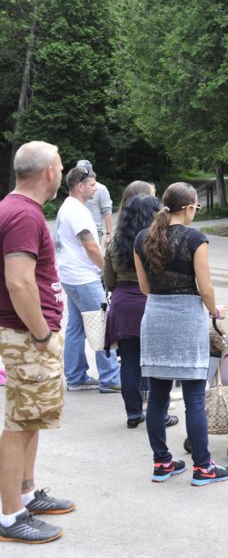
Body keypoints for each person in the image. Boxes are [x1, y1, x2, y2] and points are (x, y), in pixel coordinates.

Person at [134, 183, 228, 486]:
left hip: (155, 319)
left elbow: (144, 287)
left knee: (158, 398)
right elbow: (205, 288)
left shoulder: (142, 238)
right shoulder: (195, 239)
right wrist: (215, 311)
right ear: (189, 207)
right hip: (187, 321)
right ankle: (203, 467)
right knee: (194, 399)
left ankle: (162, 462)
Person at [0, 142, 73, 544]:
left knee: (31, 419)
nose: (60, 172)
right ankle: (10, 515)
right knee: (19, 423)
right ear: (49, 173)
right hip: (28, 336)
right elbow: (19, 282)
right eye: (60, 166)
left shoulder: (16, 209)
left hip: (29, 335)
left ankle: (26, 493)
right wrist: (42, 333)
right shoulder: (24, 215)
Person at [104, 193, 179, 430]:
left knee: (129, 363)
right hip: (151, 303)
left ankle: (134, 414)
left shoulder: (115, 243)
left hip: (123, 305)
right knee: (159, 362)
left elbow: (108, 280)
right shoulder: (159, 242)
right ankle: (161, 414)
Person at [55, 164, 120, 393]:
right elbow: (91, 246)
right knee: (103, 325)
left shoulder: (67, 207)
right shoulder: (78, 211)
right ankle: (110, 378)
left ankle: (75, 377)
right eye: (92, 185)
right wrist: (106, 270)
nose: (96, 188)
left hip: (70, 275)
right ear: (79, 186)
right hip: (83, 278)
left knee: (76, 327)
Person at [78, 160, 113, 250]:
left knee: (92, 257)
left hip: (95, 232)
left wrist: (108, 235)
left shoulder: (101, 189)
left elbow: (107, 212)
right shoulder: (76, 188)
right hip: (77, 230)